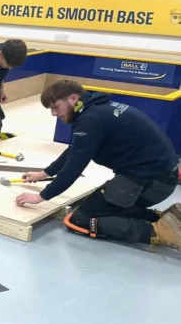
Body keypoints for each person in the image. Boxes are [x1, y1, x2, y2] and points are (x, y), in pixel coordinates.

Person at [15, 80, 181, 250]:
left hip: (150, 182)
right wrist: (44, 173)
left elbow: (74, 167)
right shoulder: (98, 109)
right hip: (159, 177)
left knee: (81, 219)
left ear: (73, 98)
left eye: (55, 107)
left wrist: (41, 196)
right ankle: (166, 218)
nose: (53, 113)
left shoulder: (90, 120)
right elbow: (77, 150)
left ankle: (159, 232)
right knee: (100, 206)